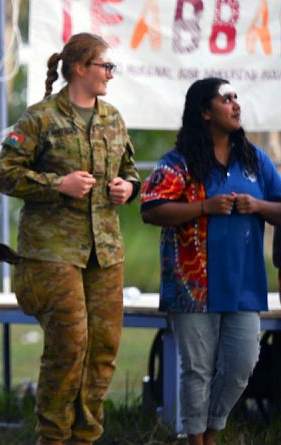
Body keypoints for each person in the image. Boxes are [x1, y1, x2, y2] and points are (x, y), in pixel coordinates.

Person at [0, 33, 140, 445]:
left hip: (104, 251)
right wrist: (58, 184)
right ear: (79, 68)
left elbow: (129, 170)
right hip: (52, 251)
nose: (110, 74)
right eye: (104, 66)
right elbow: (3, 173)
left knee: (103, 349)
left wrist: (127, 188)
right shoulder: (40, 118)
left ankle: (85, 437)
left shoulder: (112, 118)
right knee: (70, 344)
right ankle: (53, 437)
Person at [140, 78, 281, 445]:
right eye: (226, 99)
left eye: (237, 98)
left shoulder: (254, 159)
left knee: (241, 365)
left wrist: (259, 206)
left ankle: (212, 427)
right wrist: (203, 207)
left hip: (244, 283)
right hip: (193, 286)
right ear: (205, 112)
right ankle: (196, 439)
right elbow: (151, 209)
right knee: (198, 370)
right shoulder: (180, 162)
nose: (236, 105)